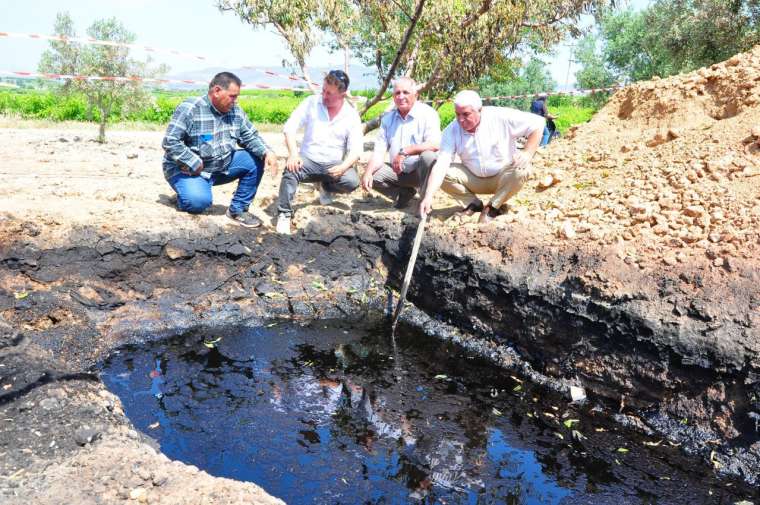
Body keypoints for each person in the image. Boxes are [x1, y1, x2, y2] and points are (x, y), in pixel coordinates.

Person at [161, 71, 278, 228]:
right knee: (198, 203)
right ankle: (186, 195)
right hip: (188, 170)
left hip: (220, 167)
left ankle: (238, 210)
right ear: (216, 91)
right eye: (232, 96)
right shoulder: (191, 108)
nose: (235, 101)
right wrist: (192, 161)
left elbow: (250, 137)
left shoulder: (236, 112)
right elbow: (170, 141)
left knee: (256, 159)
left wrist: (267, 152)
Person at [419, 90, 544, 224]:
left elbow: (538, 123)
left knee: (522, 169)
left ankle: (492, 208)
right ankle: (473, 203)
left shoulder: (500, 117)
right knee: (442, 171)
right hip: (473, 178)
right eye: (457, 114)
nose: (461, 119)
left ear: (480, 110)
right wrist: (428, 196)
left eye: (466, 114)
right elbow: (442, 164)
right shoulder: (452, 130)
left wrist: (527, 153)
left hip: (502, 177)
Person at [275, 70, 363, 235]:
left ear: (342, 94)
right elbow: (289, 128)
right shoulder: (311, 103)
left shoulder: (351, 115)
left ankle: (326, 186)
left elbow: (356, 149)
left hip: (333, 165)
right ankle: (284, 214)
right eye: (323, 90)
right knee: (291, 170)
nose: (324, 95)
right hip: (307, 160)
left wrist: (343, 167)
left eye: (329, 93)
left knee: (351, 181)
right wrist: (294, 154)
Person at [361, 77, 440, 209]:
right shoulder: (387, 119)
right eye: (397, 93)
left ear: (416, 95)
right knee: (372, 175)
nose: (401, 96)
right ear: (393, 96)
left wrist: (405, 152)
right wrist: (368, 172)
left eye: (405, 92)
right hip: (398, 172)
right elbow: (379, 152)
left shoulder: (428, 114)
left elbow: (435, 144)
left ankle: (425, 198)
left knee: (429, 157)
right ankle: (404, 193)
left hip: (420, 173)